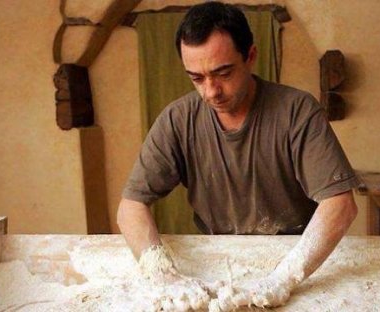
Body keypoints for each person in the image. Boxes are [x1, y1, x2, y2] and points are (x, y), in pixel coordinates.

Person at [117, 1, 359, 310]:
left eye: (223, 73)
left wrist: (282, 279)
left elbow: (341, 204)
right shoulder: (177, 120)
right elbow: (131, 207)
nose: (211, 91)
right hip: (216, 256)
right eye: (197, 78)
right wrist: (163, 274)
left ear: (251, 57)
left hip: (294, 256)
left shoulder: (297, 111)